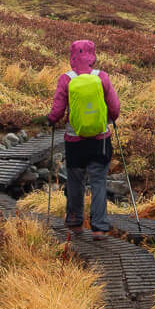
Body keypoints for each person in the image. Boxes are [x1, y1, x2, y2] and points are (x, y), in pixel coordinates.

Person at [46, 38, 121, 238]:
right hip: (100, 140)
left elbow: (58, 110)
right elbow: (115, 109)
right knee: (98, 181)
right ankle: (99, 227)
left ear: (72, 56)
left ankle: (75, 222)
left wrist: (51, 120)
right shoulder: (102, 77)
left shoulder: (66, 79)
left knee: (75, 180)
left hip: (74, 140)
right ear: (92, 55)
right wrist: (110, 117)